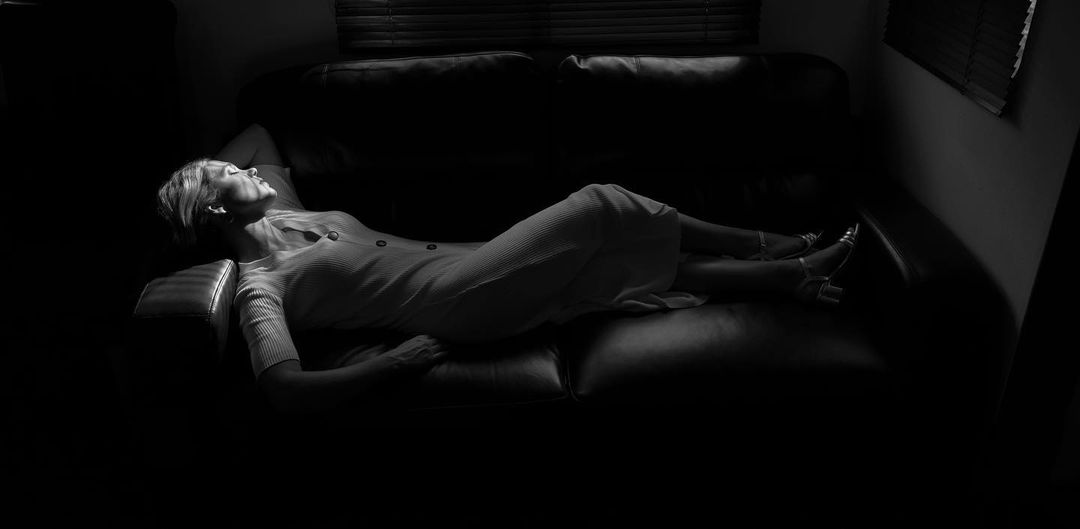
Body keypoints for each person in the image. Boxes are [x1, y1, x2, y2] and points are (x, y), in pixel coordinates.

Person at [156, 123, 859, 415]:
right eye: (228, 174)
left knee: (611, 265)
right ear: (215, 211)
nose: (246, 169)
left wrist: (204, 181)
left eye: (231, 167)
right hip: (453, 303)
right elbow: (282, 389)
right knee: (600, 203)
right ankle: (765, 243)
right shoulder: (261, 286)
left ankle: (789, 277)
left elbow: (258, 132)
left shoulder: (288, 214)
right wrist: (393, 365)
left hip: (472, 263)